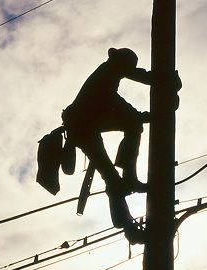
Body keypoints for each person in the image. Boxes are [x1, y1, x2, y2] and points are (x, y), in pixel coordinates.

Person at [62, 47, 152, 242]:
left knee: (133, 125)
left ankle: (130, 177)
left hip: (90, 124)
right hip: (82, 128)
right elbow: (115, 101)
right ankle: (129, 228)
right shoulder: (106, 76)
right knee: (112, 178)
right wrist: (141, 116)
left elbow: (139, 75)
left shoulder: (113, 70)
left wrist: (165, 80)